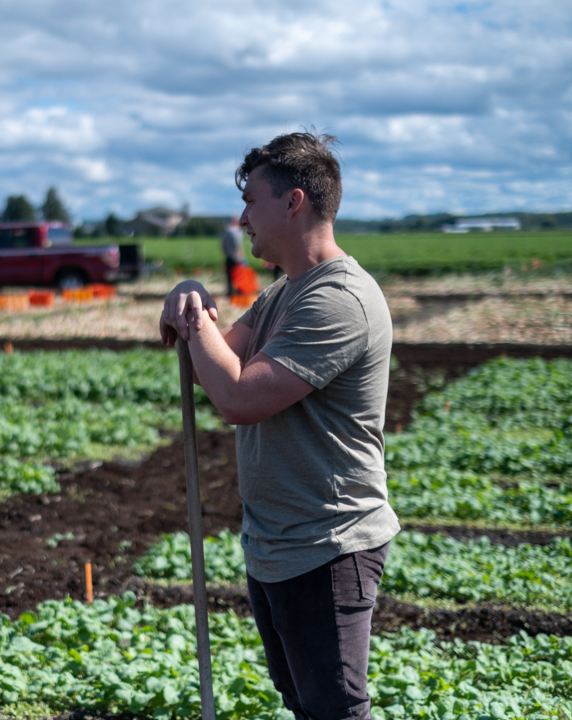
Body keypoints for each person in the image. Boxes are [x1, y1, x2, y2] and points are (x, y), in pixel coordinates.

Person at [159, 132, 398, 720]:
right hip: (277, 543)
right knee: (304, 705)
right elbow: (210, 366)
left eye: (252, 202)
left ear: (293, 203)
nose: (242, 220)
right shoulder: (284, 293)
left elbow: (239, 396)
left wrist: (195, 315)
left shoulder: (339, 300)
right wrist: (192, 297)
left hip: (327, 545)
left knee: (335, 711)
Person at [220, 216, 247, 296]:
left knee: (230, 276)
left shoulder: (226, 231)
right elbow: (238, 245)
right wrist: (242, 257)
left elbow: (223, 245)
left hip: (228, 256)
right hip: (237, 257)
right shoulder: (237, 232)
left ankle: (230, 291)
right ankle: (239, 291)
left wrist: (226, 254)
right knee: (239, 275)